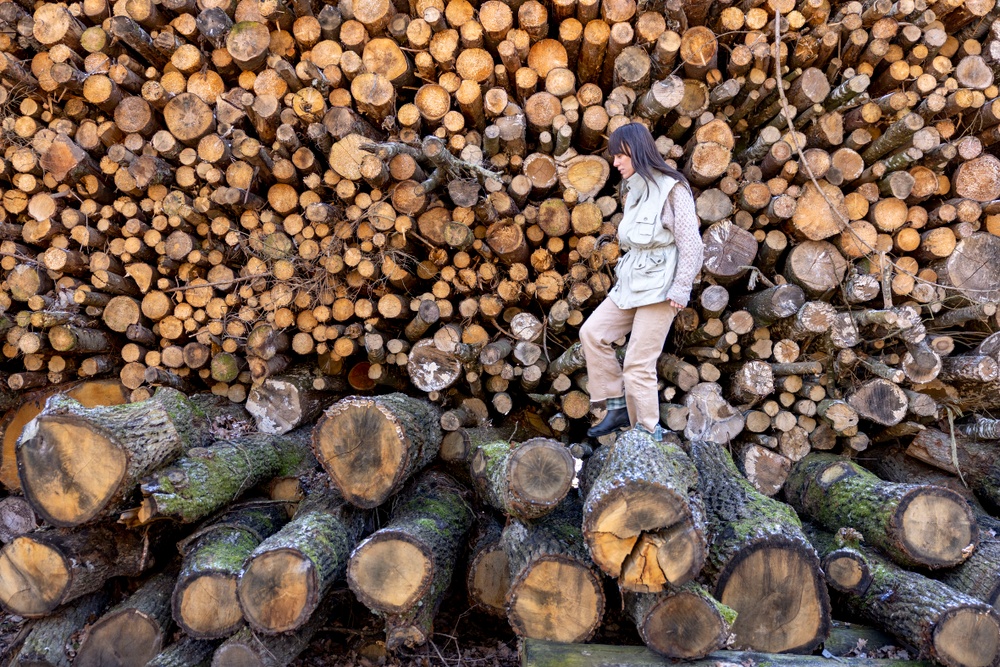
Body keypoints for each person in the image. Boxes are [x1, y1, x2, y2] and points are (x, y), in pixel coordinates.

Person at [579, 123, 705, 442]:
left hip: (661, 288)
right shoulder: (633, 191)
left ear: (636, 150)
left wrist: (681, 288)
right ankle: (618, 406)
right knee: (592, 333)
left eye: (619, 156)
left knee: (637, 365)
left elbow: (692, 244)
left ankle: (648, 433)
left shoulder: (672, 188)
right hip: (630, 283)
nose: (616, 163)